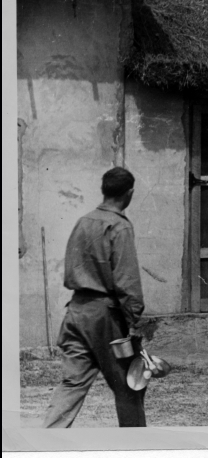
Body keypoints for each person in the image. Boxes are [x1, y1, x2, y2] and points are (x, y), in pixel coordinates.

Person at [43, 167, 147, 427]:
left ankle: (44, 441)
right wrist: (133, 322)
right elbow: (127, 282)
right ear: (129, 193)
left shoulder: (84, 221)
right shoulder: (119, 227)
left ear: (104, 189)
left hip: (76, 312)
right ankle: (138, 452)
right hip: (105, 317)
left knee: (72, 383)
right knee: (129, 387)